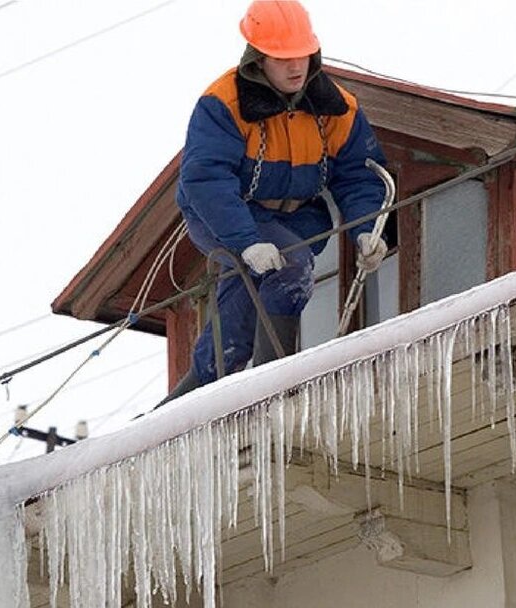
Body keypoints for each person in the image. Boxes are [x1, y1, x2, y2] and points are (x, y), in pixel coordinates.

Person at [161, 0, 389, 405]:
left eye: (302, 54)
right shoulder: (223, 104)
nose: (295, 67)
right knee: (290, 265)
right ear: (258, 58)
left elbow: (358, 176)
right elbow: (206, 179)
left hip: (297, 218)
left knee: (234, 335)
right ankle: (273, 386)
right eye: (282, 58)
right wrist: (247, 241)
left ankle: (180, 408)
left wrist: (367, 231)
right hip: (225, 214)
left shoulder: (337, 108)